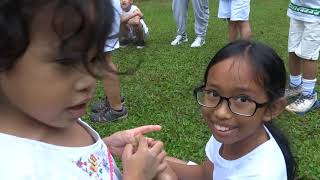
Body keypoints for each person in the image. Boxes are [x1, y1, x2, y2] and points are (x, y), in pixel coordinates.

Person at [0, 0, 168, 179]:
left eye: (94, 58)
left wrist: (104, 147)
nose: (89, 81)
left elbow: (64, 164)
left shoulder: (53, 116)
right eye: (67, 62)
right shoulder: (12, 168)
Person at [166, 41, 296, 180]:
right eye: (214, 94)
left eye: (242, 99)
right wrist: (152, 159)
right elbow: (205, 174)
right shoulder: (232, 135)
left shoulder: (262, 175)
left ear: (271, 109)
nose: (221, 113)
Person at [90, 0, 128, 122]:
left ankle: (117, 109)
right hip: (104, 8)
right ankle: (114, 99)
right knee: (103, 59)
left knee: (103, 61)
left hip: (102, 9)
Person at [284, 0, 319, 113]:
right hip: (297, 10)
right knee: (293, 50)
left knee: (308, 55)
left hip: (316, 13)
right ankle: (295, 86)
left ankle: (309, 96)